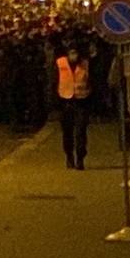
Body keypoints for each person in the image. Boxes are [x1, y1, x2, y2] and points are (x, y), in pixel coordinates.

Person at [56, 42, 92, 170]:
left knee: (80, 132)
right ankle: (69, 156)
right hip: (65, 102)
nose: (73, 56)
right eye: (71, 53)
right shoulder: (60, 63)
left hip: (82, 102)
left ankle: (80, 158)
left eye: (75, 53)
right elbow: (54, 81)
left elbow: (91, 81)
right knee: (67, 133)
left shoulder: (85, 64)